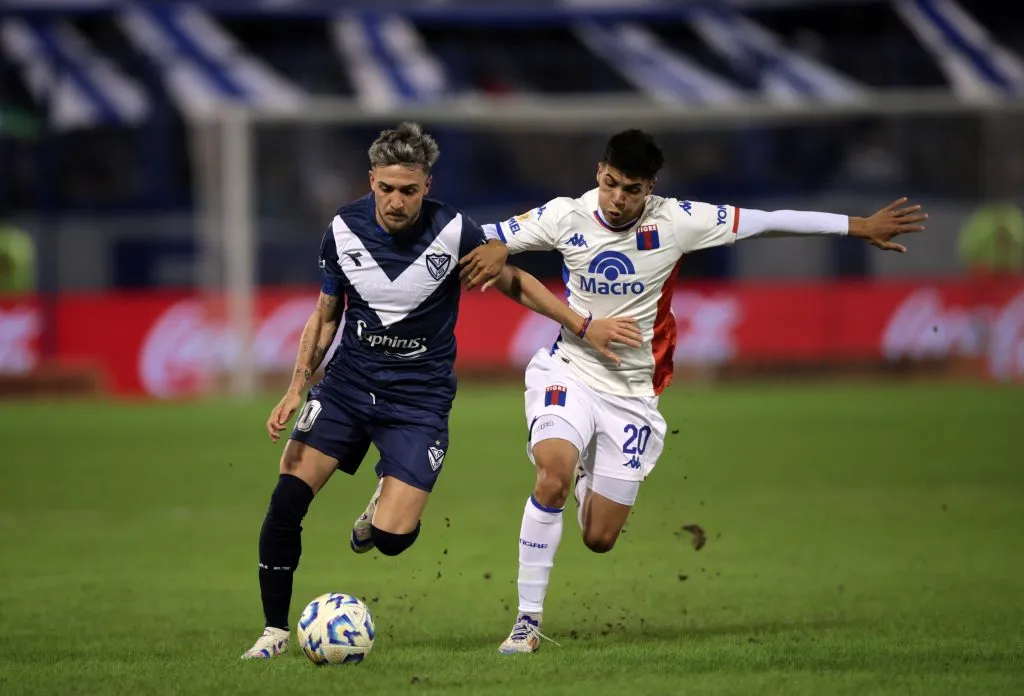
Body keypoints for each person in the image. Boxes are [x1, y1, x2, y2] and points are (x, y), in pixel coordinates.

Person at [458, 129, 928, 654]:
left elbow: (767, 222)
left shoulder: (679, 221)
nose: (617, 199)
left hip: (632, 393)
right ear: (598, 173)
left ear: (650, 188)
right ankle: (527, 622)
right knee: (551, 477)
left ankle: (589, 475)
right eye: (610, 183)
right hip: (568, 369)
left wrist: (858, 226)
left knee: (599, 538)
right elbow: (477, 235)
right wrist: (495, 245)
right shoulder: (565, 215)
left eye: (631, 189)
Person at [241, 123, 641, 660]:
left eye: (408, 190)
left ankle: (382, 505)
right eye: (387, 188)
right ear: (371, 181)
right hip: (346, 389)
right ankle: (273, 631)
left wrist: (582, 324)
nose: (396, 201)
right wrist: (296, 388)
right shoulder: (342, 229)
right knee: (287, 496)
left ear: (426, 186)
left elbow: (514, 281)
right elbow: (326, 314)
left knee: (392, 539)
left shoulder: (453, 231)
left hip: (418, 403)